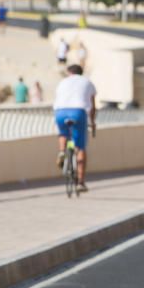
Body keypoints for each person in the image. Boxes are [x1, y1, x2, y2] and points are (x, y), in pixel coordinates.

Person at [53, 64, 97, 193]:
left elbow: (57, 101)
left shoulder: (62, 82)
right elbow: (93, 107)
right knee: (80, 147)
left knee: (63, 133)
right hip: (78, 112)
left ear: (69, 72)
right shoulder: (88, 82)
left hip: (60, 112)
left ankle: (62, 151)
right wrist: (92, 122)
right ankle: (81, 183)